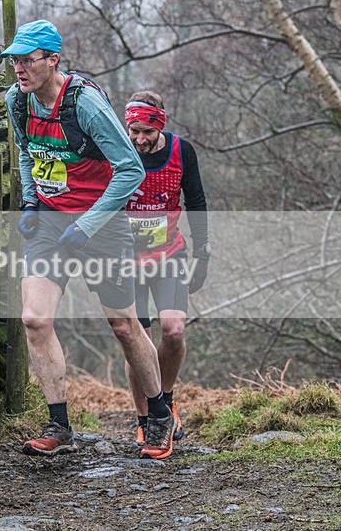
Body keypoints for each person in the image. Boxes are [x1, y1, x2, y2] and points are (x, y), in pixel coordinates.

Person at [2, 21, 177, 459]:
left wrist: (88, 224)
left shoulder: (86, 105)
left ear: (53, 60)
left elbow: (131, 169)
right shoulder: (16, 102)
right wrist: (28, 203)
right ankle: (59, 425)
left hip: (101, 225)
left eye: (28, 60)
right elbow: (27, 152)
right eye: (14, 61)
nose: (19, 69)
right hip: (48, 224)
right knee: (34, 319)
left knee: (122, 324)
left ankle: (159, 416)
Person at [124, 90, 210, 444]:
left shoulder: (180, 151)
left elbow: (197, 200)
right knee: (135, 338)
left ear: (160, 125)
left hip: (169, 253)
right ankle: (145, 419)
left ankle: (167, 401)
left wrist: (202, 254)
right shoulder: (117, 150)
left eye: (146, 132)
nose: (140, 140)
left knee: (173, 331)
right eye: (134, 132)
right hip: (125, 260)